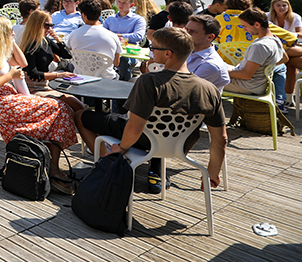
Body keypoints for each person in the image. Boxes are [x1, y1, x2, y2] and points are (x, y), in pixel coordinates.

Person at [76, 27, 227, 195]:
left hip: (145, 140)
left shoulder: (149, 82)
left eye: (153, 47)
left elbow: (134, 128)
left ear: (168, 53)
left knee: (81, 115)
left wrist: (121, 148)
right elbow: (221, 138)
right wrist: (213, 172)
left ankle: (108, 163)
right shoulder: (209, 89)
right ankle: (154, 172)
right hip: (181, 145)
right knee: (145, 123)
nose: (151, 51)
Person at [0, 16, 81, 193]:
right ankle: (52, 168)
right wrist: (9, 76)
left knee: (61, 109)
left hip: (6, 97)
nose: (13, 33)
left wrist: (11, 42)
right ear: (0, 33)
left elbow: (23, 63)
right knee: (59, 108)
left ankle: (51, 166)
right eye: (9, 31)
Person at [225, 7, 287, 95]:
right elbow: (284, 58)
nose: (244, 29)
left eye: (245, 26)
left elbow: (246, 75)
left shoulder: (260, 46)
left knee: (204, 78)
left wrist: (222, 72)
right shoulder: (275, 39)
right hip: (253, 83)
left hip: (246, 86)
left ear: (257, 25)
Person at [19, 10, 75, 93]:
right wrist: (58, 75)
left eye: (52, 25)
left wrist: (58, 40)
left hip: (46, 83)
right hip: (34, 87)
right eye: (47, 26)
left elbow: (67, 55)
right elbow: (33, 74)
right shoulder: (30, 45)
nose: (50, 29)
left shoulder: (46, 41)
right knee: (72, 102)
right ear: (36, 25)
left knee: (74, 100)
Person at [65, 0, 123, 78]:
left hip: (81, 77)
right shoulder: (112, 36)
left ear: (83, 15)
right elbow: (116, 63)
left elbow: (71, 55)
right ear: (99, 15)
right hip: (106, 79)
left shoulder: (73, 35)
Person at [103, 0, 147, 80]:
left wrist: (116, 35)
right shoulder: (110, 19)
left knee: (123, 60)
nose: (120, 4)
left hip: (129, 52)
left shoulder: (138, 19)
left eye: (124, 3)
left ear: (132, 5)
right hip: (110, 49)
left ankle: (124, 85)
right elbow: (102, 34)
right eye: (119, 2)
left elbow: (138, 36)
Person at [185, 14, 230, 91]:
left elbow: (184, 89)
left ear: (210, 37)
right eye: (186, 30)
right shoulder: (186, 52)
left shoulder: (210, 65)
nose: (186, 34)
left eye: (193, 32)